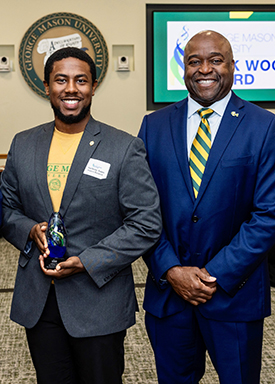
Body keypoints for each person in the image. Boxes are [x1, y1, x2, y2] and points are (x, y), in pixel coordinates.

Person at [138, 30, 275, 384]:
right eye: (194, 61)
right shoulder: (154, 126)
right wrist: (172, 270)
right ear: (184, 68)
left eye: (215, 60)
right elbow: (140, 209)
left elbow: (270, 214)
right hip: (169, 295)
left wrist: (211, 276)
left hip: (233, 296)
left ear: (233, 66)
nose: (204, 68)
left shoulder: (265, 127)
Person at [0, 47, 162, 384]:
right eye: (61, 80)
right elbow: (6, 208)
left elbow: (146, 223)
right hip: (39, 301)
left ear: (93, 86)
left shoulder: (123, 147)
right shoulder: (23, 144)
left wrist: (86, 261)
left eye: (81, 80)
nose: (71, 89)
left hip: (98, 301)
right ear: (47, 86)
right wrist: (30, 230)